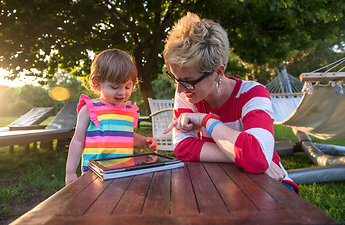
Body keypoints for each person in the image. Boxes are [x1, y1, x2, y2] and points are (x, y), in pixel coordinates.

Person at [163, 12, 299, 194]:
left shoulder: (253, 94)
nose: (179, 89)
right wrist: (244, 156)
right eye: (175, 78)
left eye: (187, 81)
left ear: (218, 72)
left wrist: (206, 120)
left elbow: (257, 156)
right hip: (221, 182)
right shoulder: (187, 92)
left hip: (271, 184)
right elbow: (182, 147)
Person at [65, 49, 157, 185]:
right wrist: (70, 171)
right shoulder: (89, 109)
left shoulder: (128, 111)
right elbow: (77, 141)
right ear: (97, 83)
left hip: (124, 174)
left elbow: (126, 136)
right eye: (114, 87)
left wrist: (144, 141)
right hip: (95, 176)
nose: (122, 92)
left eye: (127, 87)